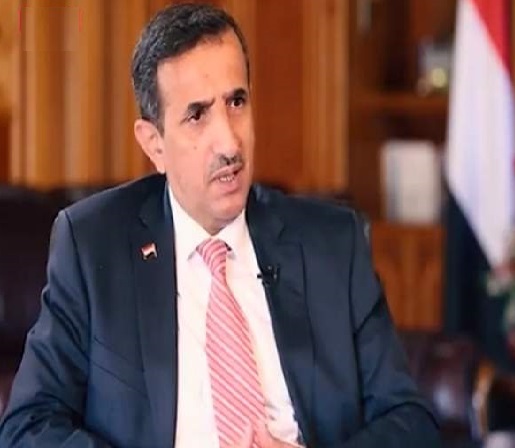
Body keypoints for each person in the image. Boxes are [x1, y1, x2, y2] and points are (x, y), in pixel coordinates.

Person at [0, 3, 440, 447]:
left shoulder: (332, 244)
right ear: (154, 144)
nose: (229, 142)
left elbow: (410, 421)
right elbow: (28, 426)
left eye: (236, 102)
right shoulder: (94, 246)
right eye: (197, 115)